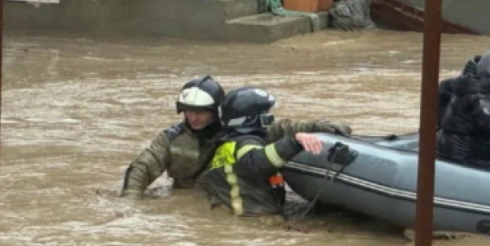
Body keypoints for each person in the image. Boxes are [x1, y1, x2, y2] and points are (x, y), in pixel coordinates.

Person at [121, 76, 352, 198]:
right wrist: (131, 202)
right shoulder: (171, 138)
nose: (192, 117)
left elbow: (285, 128)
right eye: (187, 111)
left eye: (200, 112)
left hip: (229, 201)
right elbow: (143, 167)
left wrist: (322, 127)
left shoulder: (242, 130)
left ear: (216, 112)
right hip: (192, 199)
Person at [197, 87, 325, 217]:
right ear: (255, 118)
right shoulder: (246, 143)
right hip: (253, 218)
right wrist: (293, 142)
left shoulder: (227, 143)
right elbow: (256, 163)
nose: (270, 118)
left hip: (232, 213)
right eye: (267, 114)